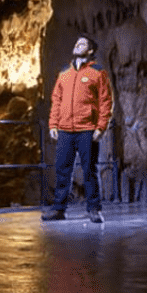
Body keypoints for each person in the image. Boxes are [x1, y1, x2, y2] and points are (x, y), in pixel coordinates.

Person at [42, 35, 113, 223]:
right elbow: (56, 100)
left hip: (87, 129)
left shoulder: (98, 72)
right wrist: (53, 124)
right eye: (76, 43)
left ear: (90, 51)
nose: (77, 45)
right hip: (65, 129)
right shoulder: (64, 72)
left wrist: (101, 127)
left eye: (82, 44)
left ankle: (94, 209)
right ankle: (59, 209)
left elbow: (105, 101)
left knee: (89, 170)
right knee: (62, 170)